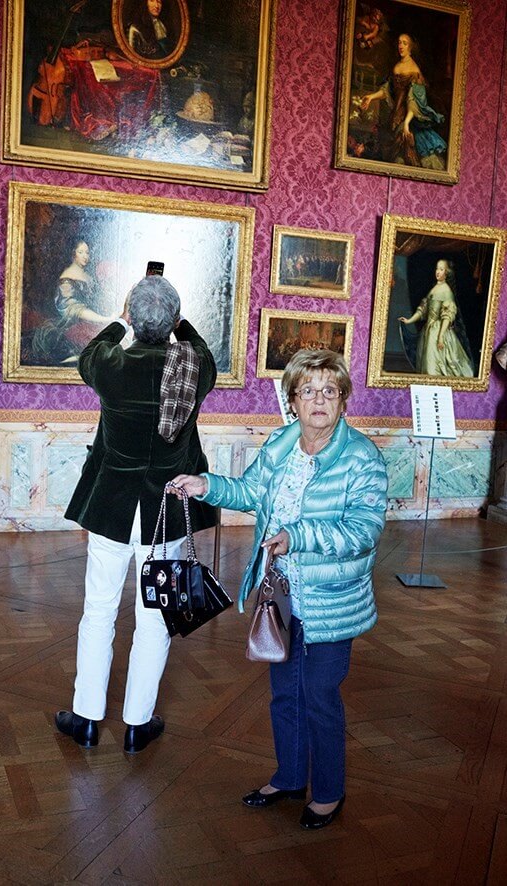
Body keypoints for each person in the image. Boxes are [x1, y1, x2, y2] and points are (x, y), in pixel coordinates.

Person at [171, 349, 388, 830]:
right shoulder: (280, 446)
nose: (319, 400)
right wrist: (206, 485)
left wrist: (298, 536)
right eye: (308, 391)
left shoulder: (362, 457)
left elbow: (364, 531)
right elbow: (251, 492)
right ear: (292, 400)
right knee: (285, 692)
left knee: (320, 695)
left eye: (329, 391)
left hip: (331, 600)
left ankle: (328, 792)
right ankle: (290, 776)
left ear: (343, 400)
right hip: (282, 592)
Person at [55, 275, 217, 753]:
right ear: (173, 320)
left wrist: (122, 320)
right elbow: (198, 346)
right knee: (154, 618)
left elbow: (92, 350)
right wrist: (178, 322)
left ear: (131, 315)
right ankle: (137, 724)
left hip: (113, 508)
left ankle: (86, 718)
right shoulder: (195, 368)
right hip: (166, 511)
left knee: (98, 611)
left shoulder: (110, 364)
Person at [360, 33, 446, 169]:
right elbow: (387, 90)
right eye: (399, 42)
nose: (401, 46)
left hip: (410, 118)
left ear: (410, 48)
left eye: (404, 43)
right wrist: (371, 97)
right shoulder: (397, 66)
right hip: (396, 115)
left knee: (408, 154)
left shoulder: (414, 70)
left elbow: (414, 102)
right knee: (394, 156)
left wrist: (406, 123)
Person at [32, 238, 113, 365]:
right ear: (73, 253)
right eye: (80, 252)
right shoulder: (67, 279)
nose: (85, 256)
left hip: (91, 320)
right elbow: (74, 309)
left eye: (87, 252)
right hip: (71, 323)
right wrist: (103, 319)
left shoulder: (88, 276)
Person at [399, 258, 474, 377]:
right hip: (429, 331)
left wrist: (440, 336)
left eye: (441, 269)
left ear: (447, 273)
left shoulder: (446, 291)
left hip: (438, 331)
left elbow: (447, 317)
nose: (438, 272)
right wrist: (409, 320)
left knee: (433, 367)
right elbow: (423, 309)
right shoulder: (434, 288)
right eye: (437, 269)